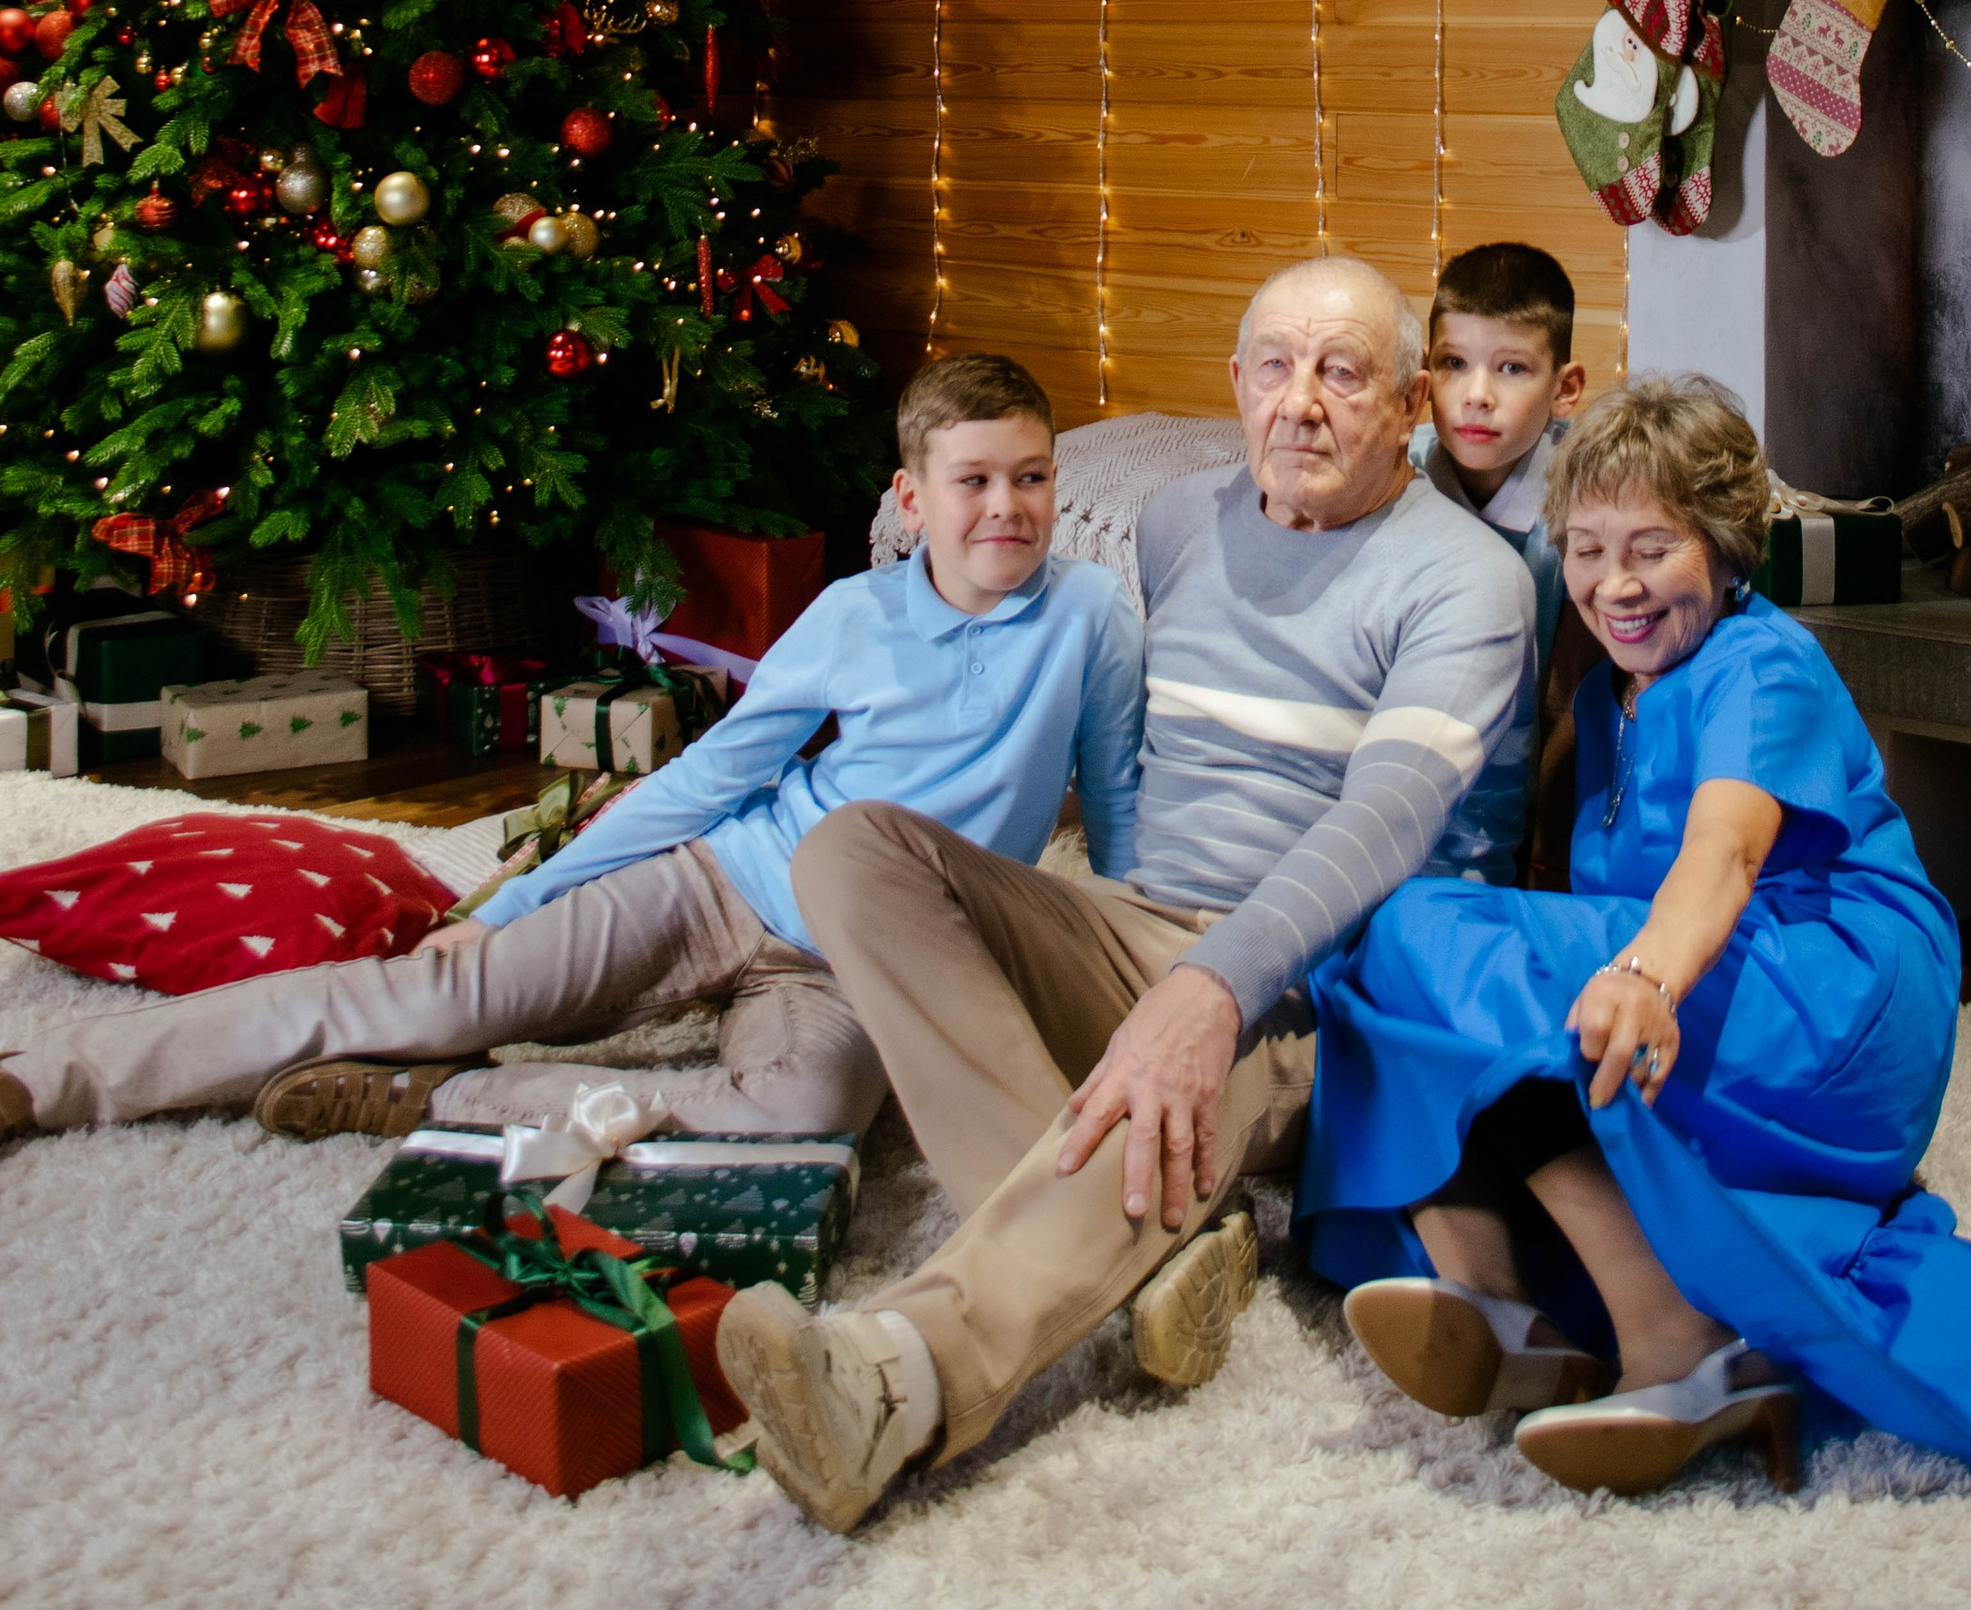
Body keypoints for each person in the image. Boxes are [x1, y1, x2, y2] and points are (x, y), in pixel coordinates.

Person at [714, 254, 1538, 1538]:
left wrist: (1215, 986)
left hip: (1326, 983)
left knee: (1199, 1028)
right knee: (855, 850)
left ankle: (901, 1374)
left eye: (1342, 372)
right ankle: (1145, 1256)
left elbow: (1387, 818)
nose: (1300, 403)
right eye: (1274, 367)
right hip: (1136, 921)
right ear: (1234, 387)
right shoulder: (1173, 524)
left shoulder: (1464, 579)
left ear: (1412, 400)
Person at [1297, 372, 1971, 1494]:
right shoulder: (1612, 694)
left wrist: (1643, 973)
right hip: (1724, 988)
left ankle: (1663, 1326)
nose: (1614, 585)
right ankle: (1498, 1295)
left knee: (1424, 928)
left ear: (1721, 547)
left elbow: (1724, 852)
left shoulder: (1763, 667)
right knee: (1374, 967)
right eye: (1586, 550)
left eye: (1651, 549)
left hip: (1835, 998)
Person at [0, 353, 1140, 1152]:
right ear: (911, 496)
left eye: (1031, 478)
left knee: (804, 1118)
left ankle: (445, 1106)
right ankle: (48, 1082)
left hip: (854, 966)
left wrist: (1145, 965)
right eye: (974, 480)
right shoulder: (854, 614)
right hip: (722, 886)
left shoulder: (1092, 614)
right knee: (434, 994)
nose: (1007, 508)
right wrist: (515, 901)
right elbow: (717, 772)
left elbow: (1119, 801)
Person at [1417, 239, 1589, 680]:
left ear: (1564, 389)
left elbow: (1566, 697)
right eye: (1453, 363)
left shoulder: (1587, 499)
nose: (1476, 396)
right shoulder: (1394, 474)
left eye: (1512, 368)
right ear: (1423, 378)